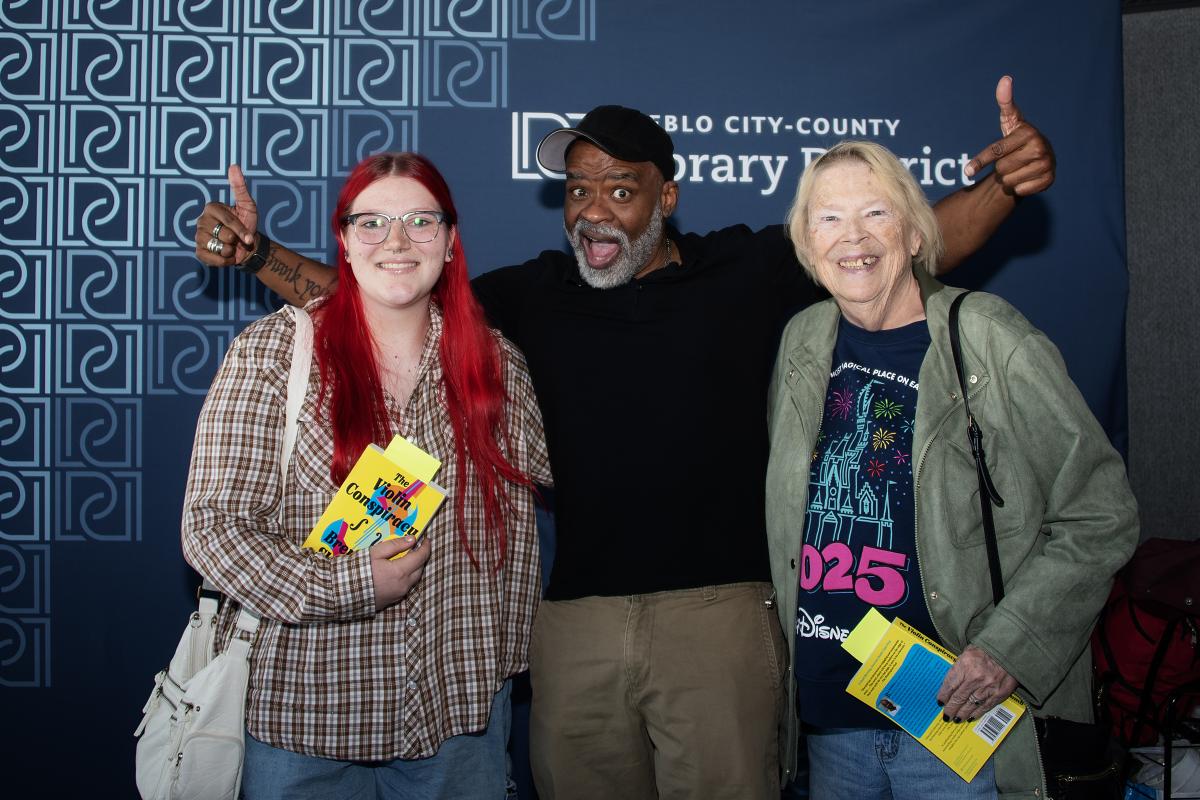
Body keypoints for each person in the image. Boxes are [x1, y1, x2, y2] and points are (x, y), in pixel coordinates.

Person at [193, 80, 1055, 798]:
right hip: (573, 626)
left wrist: (1005, 187)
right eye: (576, 189)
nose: (593, 210)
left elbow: (906, 250)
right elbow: (386, 294)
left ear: (665, 195)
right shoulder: (532, 294)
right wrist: (260, 252)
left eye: (618, 187)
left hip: (719, 616)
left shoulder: (747, 269)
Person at [766, 140, 1137, 798]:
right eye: (828, 218)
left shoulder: (988, 339)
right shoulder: (803, 341)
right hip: (831, 717)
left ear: (913, 233)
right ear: (804, 242)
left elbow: (1101, 514)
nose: (853, 237)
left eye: (876, 213)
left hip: (953, 720)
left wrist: (1009, 648)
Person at [181, 152, 552, 799]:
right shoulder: (272, 354)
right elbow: (211, 532)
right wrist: (353, 582)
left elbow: (527, 527)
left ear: (451, 240)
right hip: (307, 720)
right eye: (373, 223)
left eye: (420, 221)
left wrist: (502, 668)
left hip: (458, 722)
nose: (399, 242)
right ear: (345, 241)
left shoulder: (498, 367)